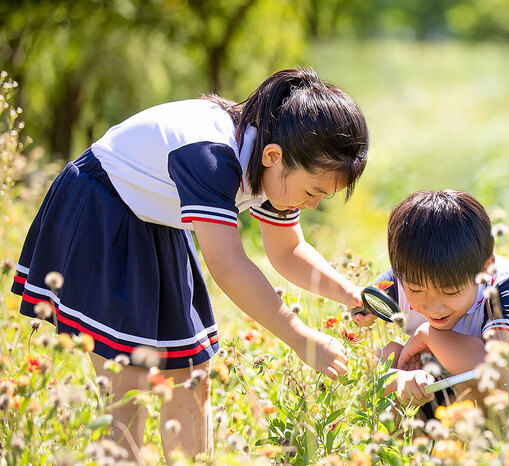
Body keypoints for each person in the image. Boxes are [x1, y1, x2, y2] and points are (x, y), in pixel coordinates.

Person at [10, 68, 368, 459]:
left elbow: (287, 250)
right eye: (312, 191)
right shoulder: (211, 156)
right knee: (128, 385)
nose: (312, 204)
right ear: (273, 156)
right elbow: (227, 264)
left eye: (323, 198)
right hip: (104, 210)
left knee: (192, 376)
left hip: (156, 220)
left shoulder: (275, 160)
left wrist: (350, 294)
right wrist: (301, 338)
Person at [354, 190, 509, 408]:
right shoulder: (404, 278)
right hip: (447, 386)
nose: (433, 307)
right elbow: (360, 304)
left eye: (450, 291)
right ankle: (402, 438)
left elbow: (496, 368)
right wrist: (360, 312)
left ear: (485, 270)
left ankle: (483, 440)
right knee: (385, 359)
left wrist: (428, 335)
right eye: (416, 289)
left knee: (476, 380)